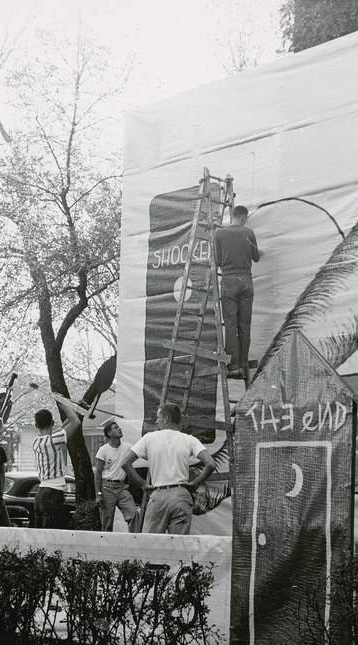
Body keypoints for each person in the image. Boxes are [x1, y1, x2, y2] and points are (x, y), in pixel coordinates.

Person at [122, 402, 217, 535]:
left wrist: (143, 484)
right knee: (179, 546)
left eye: (158, 417)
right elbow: (211, 464)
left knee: (151, 544)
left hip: (158, 496)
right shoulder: (190, 440)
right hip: (181, 496)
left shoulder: (149, 438)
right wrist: (195, 484)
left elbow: (125, 463)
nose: (156, 421)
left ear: (166, 419)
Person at [213, 204, 260, 379]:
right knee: (244, 326)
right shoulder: (249, 233)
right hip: (246, 281)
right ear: (243, 217)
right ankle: (243, 364)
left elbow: (217, 261)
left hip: (229, 281)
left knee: (231, 326)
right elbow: (255, 258)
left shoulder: (219, 234)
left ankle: (234, 367)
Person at [32, 399, 80, 529]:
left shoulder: (36, 441)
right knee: (52, 535)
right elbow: (75, 422)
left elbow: (61, 429)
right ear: (52, 422)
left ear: (36, 425)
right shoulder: (54, 440)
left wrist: (74, 409)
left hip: (41, 493)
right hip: (53, 494)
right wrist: (62, 403)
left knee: (39, 537)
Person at [94, 418, 141, 532]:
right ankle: (106, 546)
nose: (119, 428)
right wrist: (98, 494)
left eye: (118, 427)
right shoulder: (103, 450)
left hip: (121, 488)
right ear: (109, 433)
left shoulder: (128, 447)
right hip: (106, 487)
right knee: (107, 520)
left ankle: (133, 542)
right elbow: (98, 473)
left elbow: (139, 455)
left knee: (133, 513)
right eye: (116, 428)